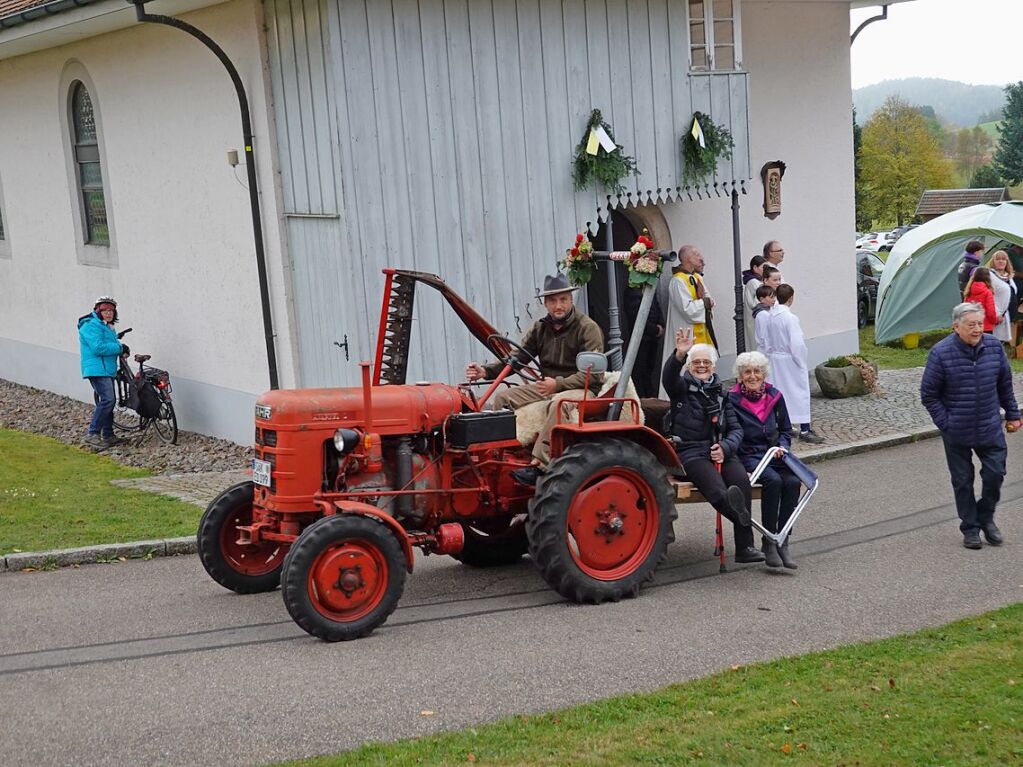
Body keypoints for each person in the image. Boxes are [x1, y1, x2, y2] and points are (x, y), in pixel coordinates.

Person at [465, 273, 604, 485]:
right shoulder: (540, 328)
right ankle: (502, 458)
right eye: (553, 301)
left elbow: (593, 375)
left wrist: (558, 384)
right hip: (548, 385)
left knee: (558, 404)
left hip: (581, 387)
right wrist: (486, 371)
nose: (559, 306)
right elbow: (517, 359)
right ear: (546, 303)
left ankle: (541, 466)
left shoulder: (588, 328)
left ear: (570, 300)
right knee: (503, 398)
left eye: (563, 299)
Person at [920, 303, 1021, 549]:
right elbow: (929, 394)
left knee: (995, 474)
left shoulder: (994, 348)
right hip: (957, 430)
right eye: (971, 325)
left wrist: (1013, 413)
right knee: (963, 480)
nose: (977, 329)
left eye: (980, 324)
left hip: (989, 426)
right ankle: (971, 528)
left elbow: (1004, 384)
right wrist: (947, 423)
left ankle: (986, 518)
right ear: (956, 327)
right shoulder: (941, 353)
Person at [662, 330, 765, 564]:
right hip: (691, 453)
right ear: (689, 367)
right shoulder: (680, 390)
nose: (701, 366)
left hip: (721, 452)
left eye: (706, 363)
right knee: (719, 492)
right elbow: (668, 377)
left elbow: (737, 430)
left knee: (741, 483)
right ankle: (742, 518)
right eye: (696, 362)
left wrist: (725, 448)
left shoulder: (723, 394)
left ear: (713, 368)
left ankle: (745, 548)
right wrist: (679, 354)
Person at [728, 352, 800, 569]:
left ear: (763, 373)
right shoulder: (732, 399)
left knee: (793, 482)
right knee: (774, 481)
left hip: (774, 453)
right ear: (740, 375)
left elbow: (786, 430)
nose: (752, 376)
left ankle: (783, 539)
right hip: (749, 455)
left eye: (756, 371)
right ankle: (769, 541)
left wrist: (783, 446)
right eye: (747, 372)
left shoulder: (775, 396)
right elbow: (731, 432)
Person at [765, 284, 823, 444]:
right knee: (799, 394)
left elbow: (766, 339)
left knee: (782, 393)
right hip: (790, 359)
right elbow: (796, 344)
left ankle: (786, 425)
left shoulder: (770, 316)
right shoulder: (790, 318)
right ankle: (805, 429)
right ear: (791, 298)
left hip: (775, 359)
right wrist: (801, 361)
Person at [660, 245, 716, 398]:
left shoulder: (697, 278)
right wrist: (705, 303)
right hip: (687, 332)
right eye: (697, 255)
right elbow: (688, 310)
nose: (701, 258)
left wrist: (707, 302)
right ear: (688, 259)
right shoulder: (678, 281)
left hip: (702, 332)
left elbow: (709, 300)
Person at [77, 296, 128, 450]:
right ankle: (92, 434)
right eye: (105, 310)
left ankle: (108, 435)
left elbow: (110, 344)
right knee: (108, 400)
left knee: (108, 401)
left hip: (106, 368)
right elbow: (98, 347)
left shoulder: (106, 326)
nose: (108, 313)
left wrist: (121, 348)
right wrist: (120, 348)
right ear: (98, 311)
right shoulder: (90, 325)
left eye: (111, 311)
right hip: (97, 369)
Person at [623, 284, 664, 398]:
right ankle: (642, 397)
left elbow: (657, 307)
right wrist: (655, 329)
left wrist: (661, 324)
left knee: (650, 369)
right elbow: (636, 317)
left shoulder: (649, 288)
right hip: (640, 340)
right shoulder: (632, 292)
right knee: (640, 371)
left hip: (652, 339)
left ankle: (649, 395)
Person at [985, 250, 1017, 343]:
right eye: (997, 259)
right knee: (991, 342)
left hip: (1006, 315)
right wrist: (997, 313)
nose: (1001, 261)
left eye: (1004, 259)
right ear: (993, 261)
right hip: (995, 316)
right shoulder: (989, 275)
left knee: (999, 343)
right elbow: (988, 296)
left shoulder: (1008, 277)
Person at [962, 267, 1000, 333]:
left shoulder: (969, 291)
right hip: (986, 327)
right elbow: (991, 312)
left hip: (972, 326)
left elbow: (965, 309)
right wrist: (995, 320)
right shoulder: (987, 292)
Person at [741, 255, 766, 353]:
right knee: (756, 349)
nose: (766, 270)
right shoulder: (753, 282)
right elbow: (759, 301)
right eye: (763, 267)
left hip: (757, 320)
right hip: (755, 321)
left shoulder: (757, 281)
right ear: (755, 268)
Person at [753, 284, 776, 353]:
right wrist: (769, 350)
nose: (774, 299)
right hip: (766, 351)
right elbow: (764, 335)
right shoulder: (763, 314)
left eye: (774, 297)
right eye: (771, 297)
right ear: (762, 299)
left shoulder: (768, 310)